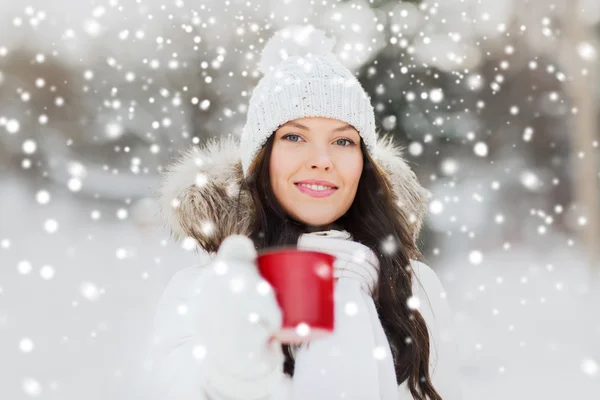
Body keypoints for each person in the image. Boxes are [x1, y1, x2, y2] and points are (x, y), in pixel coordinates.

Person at [150, 26, 461, 400]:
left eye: (343, 141)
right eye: (294, 137)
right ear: (260, 161)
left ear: (364, 164)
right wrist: (238, 367)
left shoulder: (411, 288)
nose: (322, 161)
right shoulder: (207, 288)